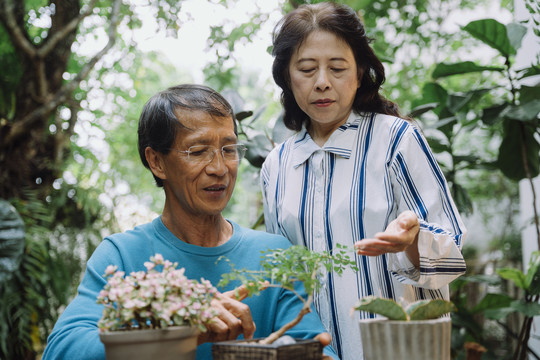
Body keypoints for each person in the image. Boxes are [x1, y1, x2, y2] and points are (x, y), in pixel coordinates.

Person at [42, 84, 337, 360]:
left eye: (229, 150)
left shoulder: (274, 254)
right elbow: (61, 349)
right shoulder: (122, 255)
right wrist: (180, 329)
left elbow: (312, 345)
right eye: (198, 152)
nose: (220, 169)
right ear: (157, 162)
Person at [260, 3, 467, 360]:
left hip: (401, 352)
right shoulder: (277, 165)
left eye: (337, 68)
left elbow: (452, 249)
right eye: (307, 69)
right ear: (287, 77)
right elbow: (285, 279)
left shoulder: (397, 140)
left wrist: (413, 241)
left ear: (359, 73)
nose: (322, 81)